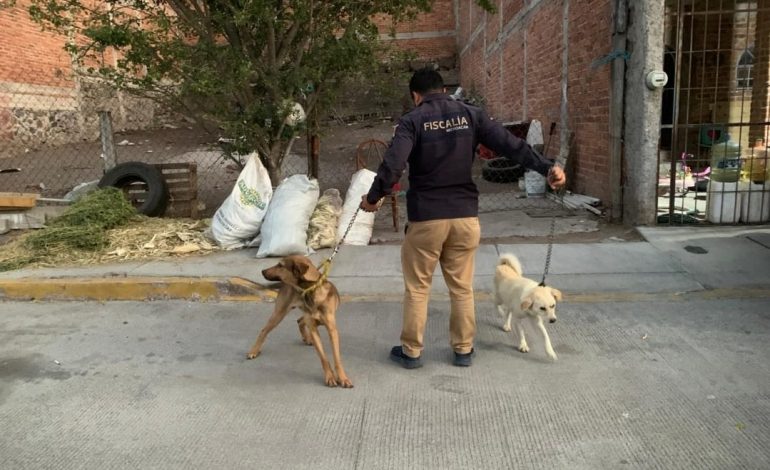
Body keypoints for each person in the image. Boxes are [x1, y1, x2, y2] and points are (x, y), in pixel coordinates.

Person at [359, 68, 566, 368]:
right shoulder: (471, 114)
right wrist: (548, 168)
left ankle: (412, 352)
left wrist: (373, 198)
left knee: (418, 288)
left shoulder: (411, 121)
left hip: (426, 219)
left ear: (415, 96)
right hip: (465, 217)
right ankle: (463, 350)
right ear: (443, 90)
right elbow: (511, 145)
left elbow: (393, 166)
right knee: (461, 288)